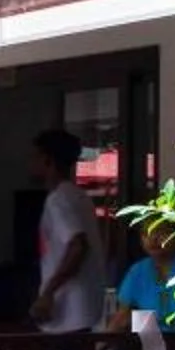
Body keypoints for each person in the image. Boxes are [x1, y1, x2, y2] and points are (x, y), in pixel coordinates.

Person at [27, 129, 106, 336]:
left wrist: (49, 292)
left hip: (67, 313)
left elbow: (78, 245)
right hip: (83, 310)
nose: (30, 164)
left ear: (48, 161)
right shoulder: (79, 197)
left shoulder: (58, 200)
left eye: (34, 157)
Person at [113, 218, 175, 350]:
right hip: (153, 346)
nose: (153, 239)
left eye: (161, 232)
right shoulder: (138, 270)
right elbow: (122, 317)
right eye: (146, 233)